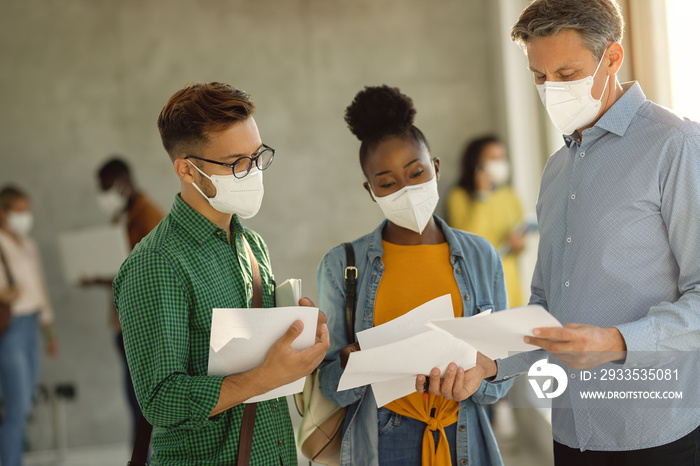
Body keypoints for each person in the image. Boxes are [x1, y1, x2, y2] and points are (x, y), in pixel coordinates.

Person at [463, 1, 700, 465]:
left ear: (612, 58)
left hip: (658, 434)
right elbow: (547, 307)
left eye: (567, 73)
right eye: (539, 76)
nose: (551, 90)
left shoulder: (676, 146)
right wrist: (490, 365)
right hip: (571, 432)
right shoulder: (556, 171)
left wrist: (615, 342)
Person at [113, 81, 329, 465]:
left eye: (258, 156)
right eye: (236, 163)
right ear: (187, 170)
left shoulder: (252, 245)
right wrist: (264, 376)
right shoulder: (156, 262)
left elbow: (264, 361)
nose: (253, 171)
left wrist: (300, 343)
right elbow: (160, 401)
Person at [317, 85, 512, 466]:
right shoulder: (341, 264)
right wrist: (348, 363)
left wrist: (482, 371)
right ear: (370, 190)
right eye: (387, 183)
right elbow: (326, 385)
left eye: (416, 172)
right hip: (382, 440)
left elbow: (499, 381)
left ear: (435, 168)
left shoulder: (481, 256)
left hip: (464, 438)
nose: (406, 191)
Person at [82, 157, 164, 442]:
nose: (104, 196)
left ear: (125, 183)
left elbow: (151, 276)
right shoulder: (122, 217)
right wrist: (100, 278)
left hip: (144, 326)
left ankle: (144, 459)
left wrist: (104, 279)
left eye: (107, 188)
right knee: (135, 401)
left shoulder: (150, 218)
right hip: (125, 322)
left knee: (142, 403)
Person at [0, 185, 59, 466]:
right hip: (9, 329)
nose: (25, 217)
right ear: (4, 212)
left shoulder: (28, 244)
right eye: (19, 211)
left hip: (31, 325)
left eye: (27, 210)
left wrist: (49, 331)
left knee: (26, 404)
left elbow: (39, 289)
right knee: (17, 406)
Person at [447, 135, 529, 308]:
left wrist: (519, 244)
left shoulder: (509, 195)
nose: (500, 163)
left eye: (502, 158)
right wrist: (481, 196)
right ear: (477, 164)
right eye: (493, 158)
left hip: (510, 281)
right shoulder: (459, 196)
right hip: (478, 281)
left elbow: (521, 240)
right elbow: (467, 240)